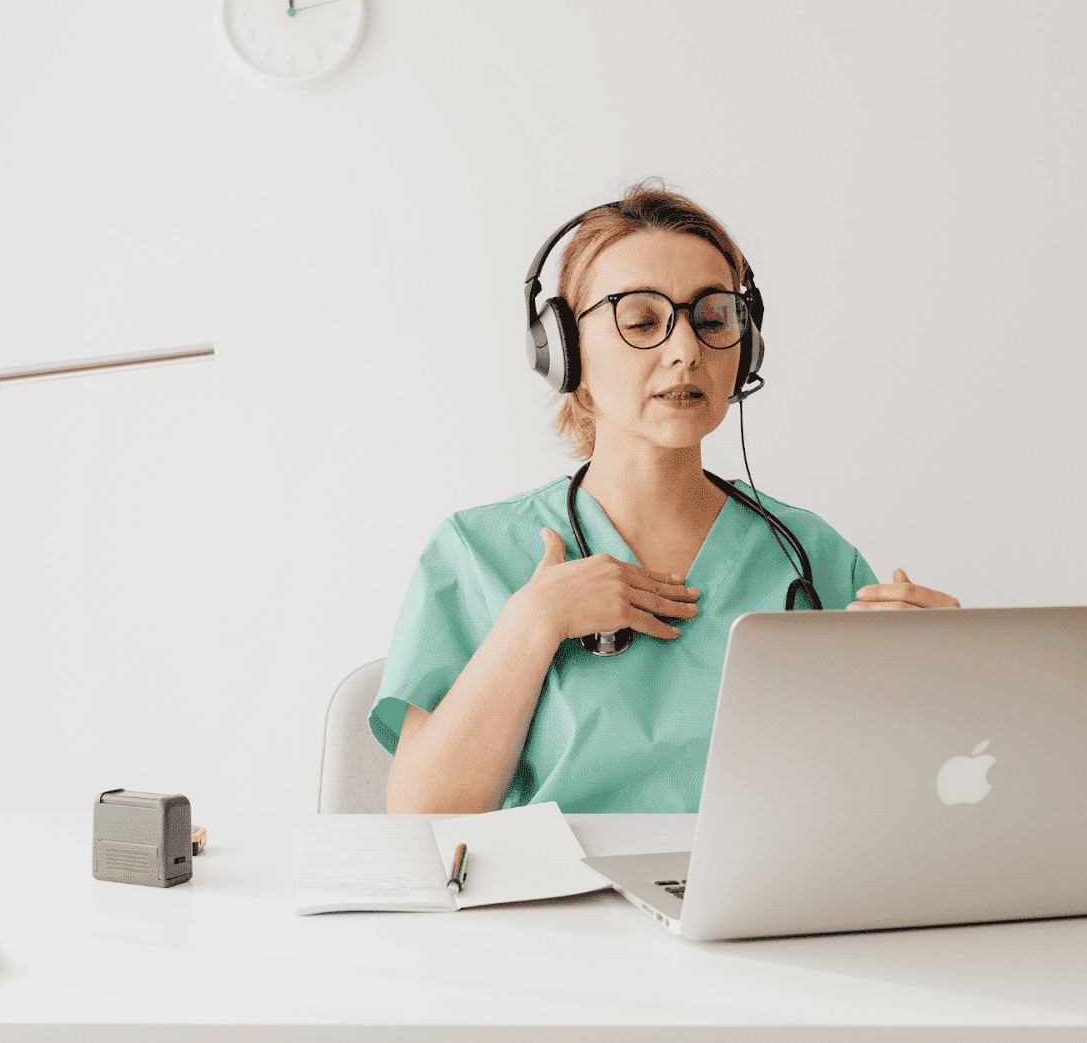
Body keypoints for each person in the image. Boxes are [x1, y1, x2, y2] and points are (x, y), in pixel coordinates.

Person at [370, 183, 959, 815]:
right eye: (642, 321)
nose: (686, 351)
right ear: (564, 351)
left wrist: (941, 676)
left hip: (756, 907)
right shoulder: (477, 552)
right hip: (550, 909)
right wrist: (534, 623)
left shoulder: (811, 556)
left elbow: (893, 802)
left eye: (713, 320)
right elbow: (422, 815)